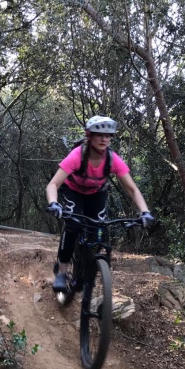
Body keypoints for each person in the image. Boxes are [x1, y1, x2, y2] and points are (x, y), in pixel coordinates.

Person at [45, 115, 155, 303]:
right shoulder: (78, 155)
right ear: (90, 136)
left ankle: (89, 268)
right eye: (99, 135)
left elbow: (132, 189)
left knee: (98, 231)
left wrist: (145, 212)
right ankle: (62, 271)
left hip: (96, 194)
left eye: (108, 135)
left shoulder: (112, 159)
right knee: (73, 225)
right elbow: (53, 185)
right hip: (73, 191)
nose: (104, 139)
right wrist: (53, 203)